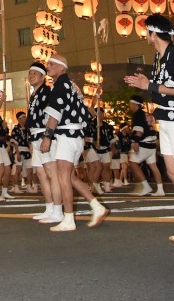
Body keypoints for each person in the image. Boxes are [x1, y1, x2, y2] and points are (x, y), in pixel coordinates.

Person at [40, 54, 110, 231]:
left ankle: (69, 219)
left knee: (63, 177)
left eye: (52, 64)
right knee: (69, 177)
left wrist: (47, 136)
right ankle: (97, 206)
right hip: (75, 135)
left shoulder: (61, 85)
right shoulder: (71, 85)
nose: (48, 66)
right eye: (48, 63)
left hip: (67, 134)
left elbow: (55, 113)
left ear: (62, 67)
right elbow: (86, 113)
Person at [124, 11, 174, 228]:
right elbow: (161, 89)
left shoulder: (173, 54)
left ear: (154, 33)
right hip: (166, 119)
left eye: (147, 30)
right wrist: (148, 84)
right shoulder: (158, 58)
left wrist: (149, 85)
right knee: (171, 171)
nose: (145, 34)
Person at [26, 62, 61, 223]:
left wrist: (47, 136)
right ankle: (49, 207)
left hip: (44, 135)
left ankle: (58, 209)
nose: (31, 76)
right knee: (41, 173)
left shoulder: (47, 91)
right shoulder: (33, 95)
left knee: (51, 173)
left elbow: (51, 116)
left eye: (35, 73)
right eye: (30, 73)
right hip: (35, 136)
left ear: (43, 76)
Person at [123, 95, 165, 196]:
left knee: (132, 163)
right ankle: (160, 189)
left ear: (134, 104)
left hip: (144, 143)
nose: (130, 106)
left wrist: (136, 142)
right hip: (152, 143)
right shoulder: (147, 114)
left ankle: (146, 187)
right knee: (153, 166)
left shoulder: (137, 115)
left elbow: (139, 131)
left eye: (130, 104)